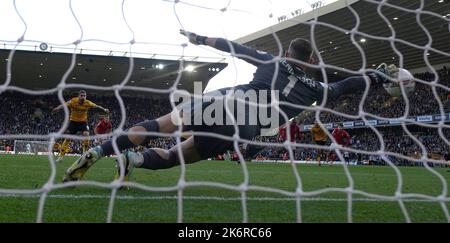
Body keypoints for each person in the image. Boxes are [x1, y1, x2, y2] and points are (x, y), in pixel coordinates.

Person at [62, 29, 393, 183]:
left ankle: (100, 152)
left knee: (162, 125)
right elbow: (344, 85)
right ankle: (133, 161)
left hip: (228, 102)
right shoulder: (316, 88)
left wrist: (201, 40)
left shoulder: (272, 60)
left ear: (289, 53)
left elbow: (234, 47)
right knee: (178, 155)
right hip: (244, 129)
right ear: (311, 60)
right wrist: (376, 77)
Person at [52, 90, 109, 163]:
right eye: (81, 96)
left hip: (83, 122)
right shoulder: (73, 101)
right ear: (78, 96)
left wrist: (104, 109)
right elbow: (64, 104)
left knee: (86, 135)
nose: (83, 97)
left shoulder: (88, 103)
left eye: (84, 96)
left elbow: (97, 106)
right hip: (73, 122)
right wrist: (57, 108)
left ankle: (84, 153)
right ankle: (61, 157)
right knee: (68, 138)